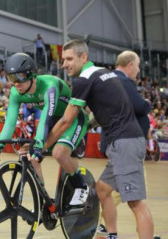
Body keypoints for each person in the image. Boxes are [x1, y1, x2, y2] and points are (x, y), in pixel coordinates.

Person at [52, 39, 154, 239]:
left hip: (125, 144)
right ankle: (111, 235)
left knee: (136, 203)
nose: (64, 64)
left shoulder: (85, 79)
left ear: (84, 57)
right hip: (123, 143)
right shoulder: (102, 73)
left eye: (69, 59)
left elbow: (66, 120)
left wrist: (43, 144)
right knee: (102, 190)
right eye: (63, 60)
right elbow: (106, 109)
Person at [0, 53, 89, 206]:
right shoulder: (16, 92)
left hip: (72, 119)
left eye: (19, 77)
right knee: (30, 156)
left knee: (59, 153)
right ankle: (45, 203)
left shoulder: (49, 86)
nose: (16, 83)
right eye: (11, 78)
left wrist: (39, 146)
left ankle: (81, 186)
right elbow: (10, 123)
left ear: (32, 75)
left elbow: (45, 120)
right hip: (54, 120)